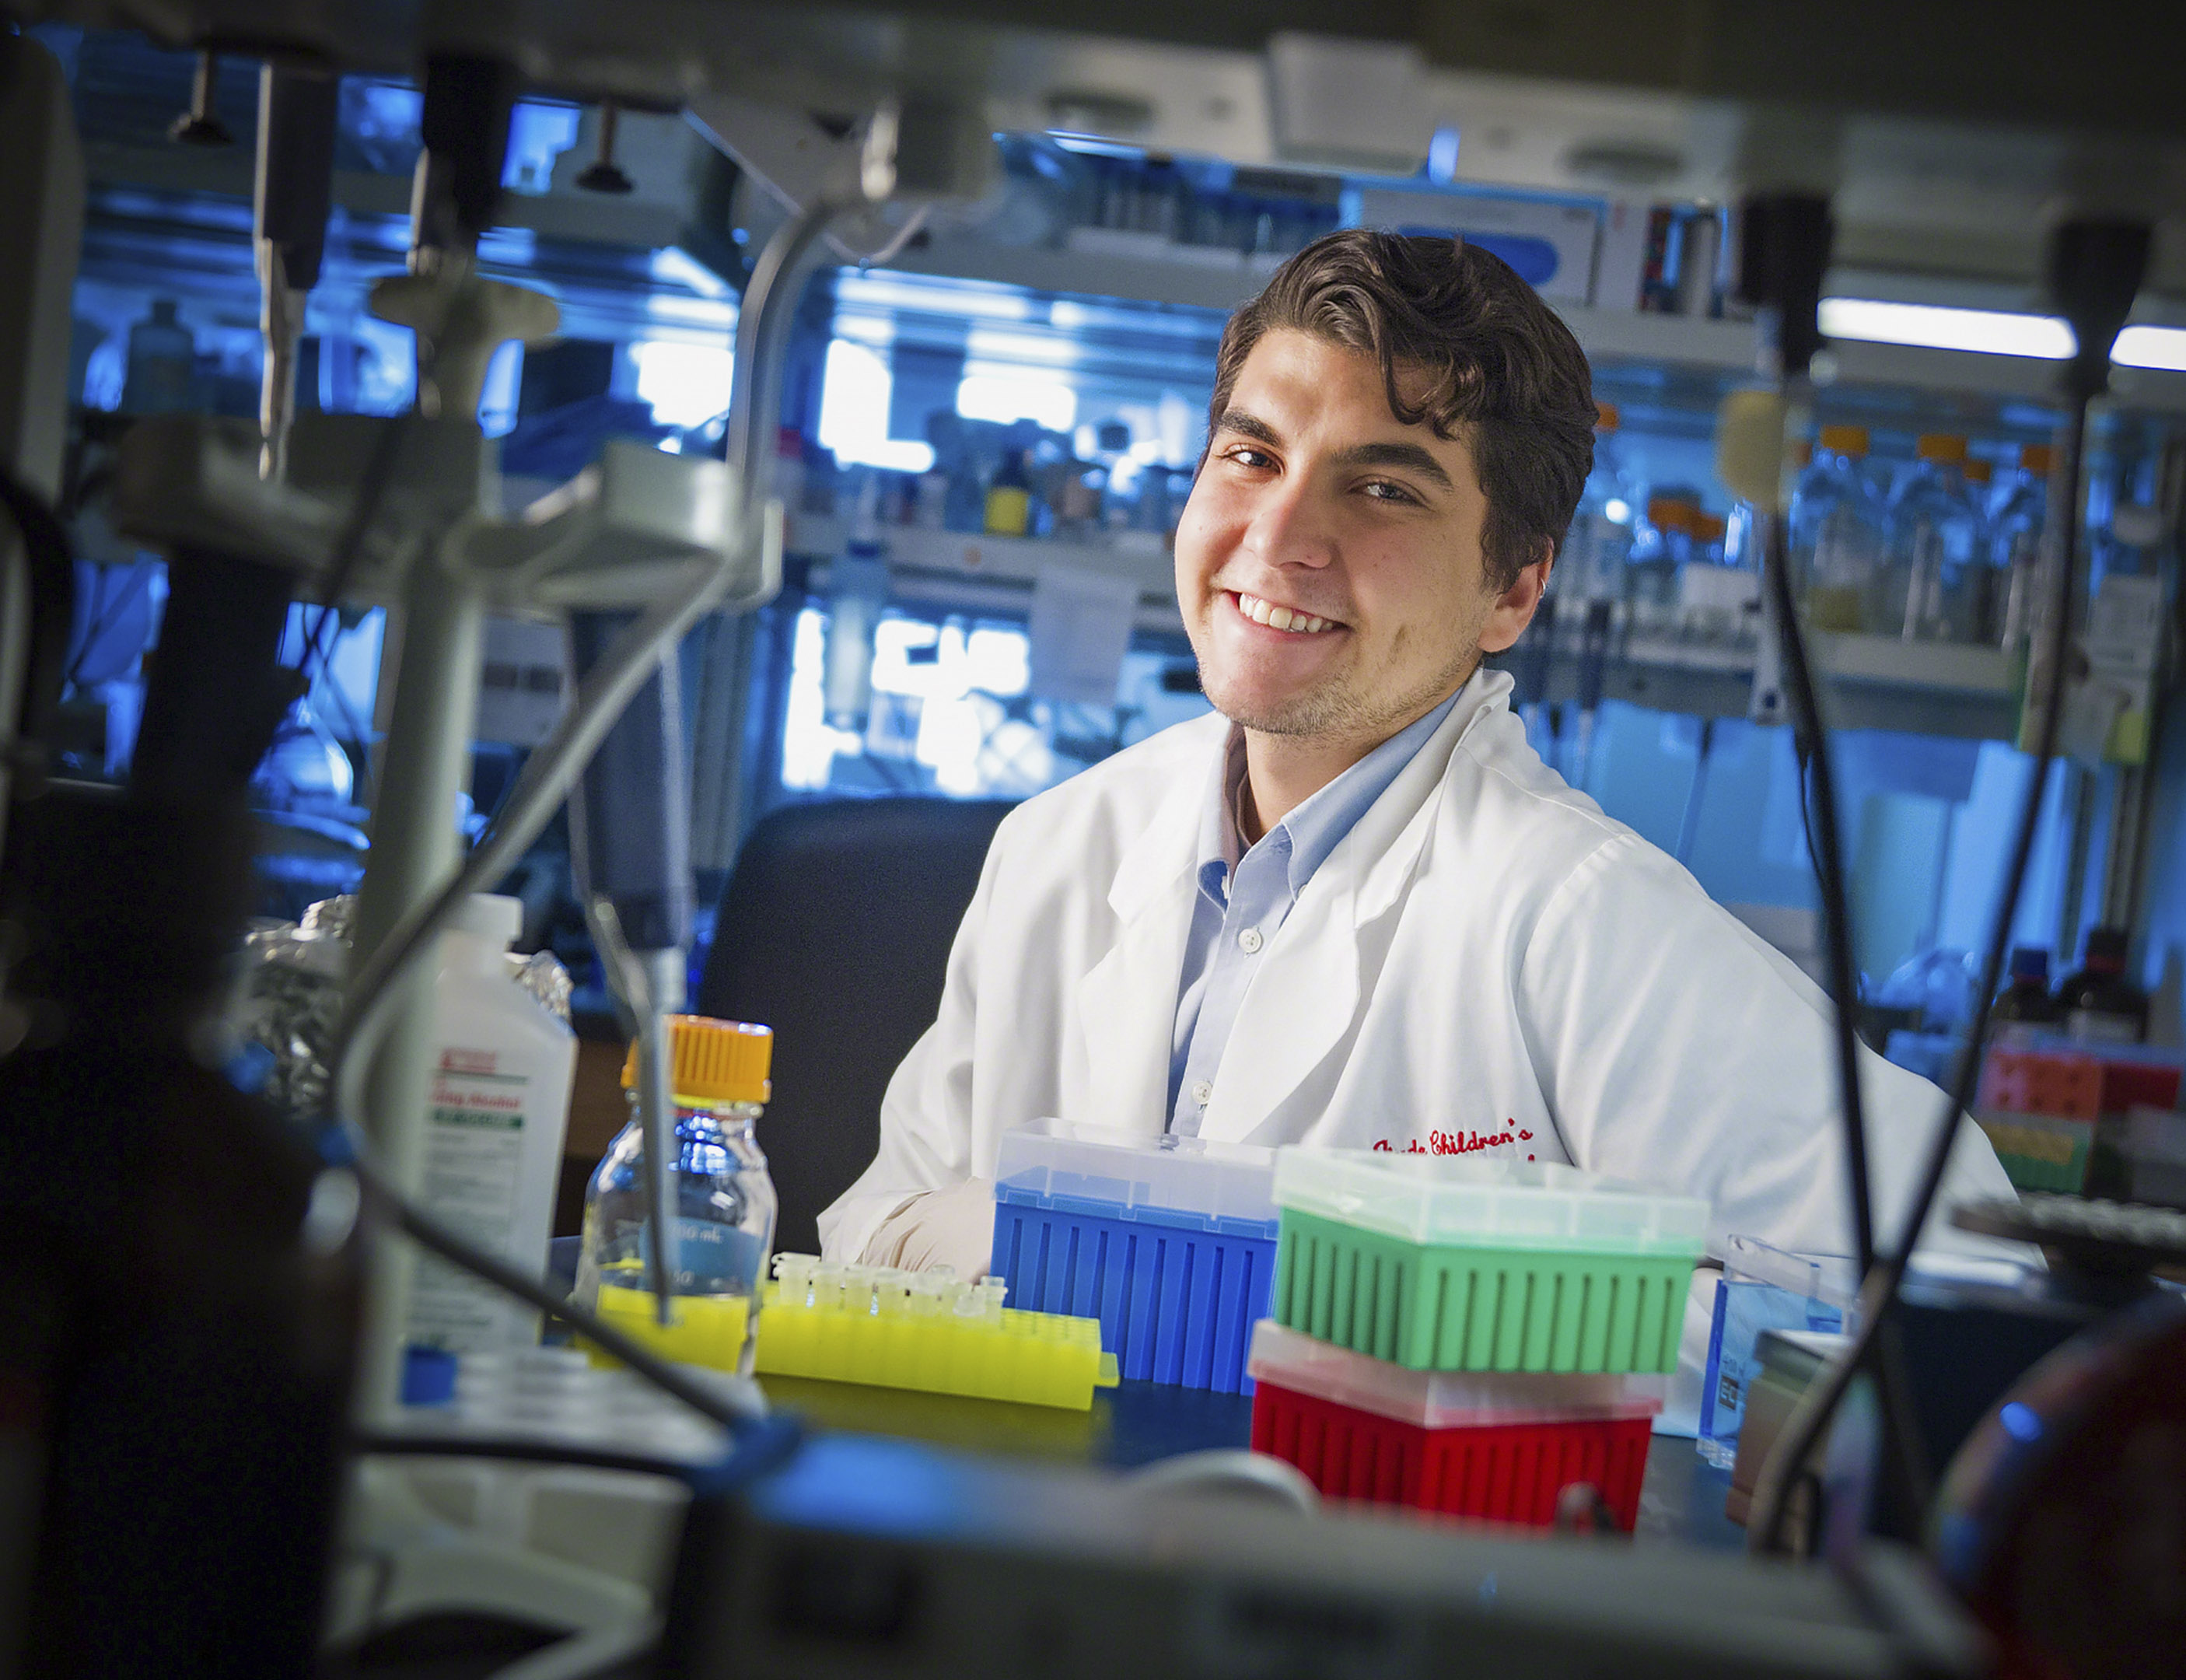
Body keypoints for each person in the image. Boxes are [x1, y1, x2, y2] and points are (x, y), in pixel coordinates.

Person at [819, 230, 2015, 1299]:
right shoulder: (1061, 847)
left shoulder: (1571, 915)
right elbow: (871, 1227)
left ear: (1515, 589)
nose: (1278, 540)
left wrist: (1488, 1302)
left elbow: (1970, 1268)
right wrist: (1036, 1244)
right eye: (1251, 457)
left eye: (1382, 487)